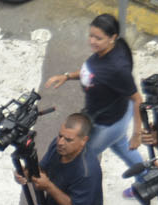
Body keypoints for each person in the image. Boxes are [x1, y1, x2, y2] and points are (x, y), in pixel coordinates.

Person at [44, 13, 143, 173]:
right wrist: (67, 76)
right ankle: (147, 178)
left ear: (112, 37)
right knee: (121, 146)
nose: (92, 41)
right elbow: (89, 73)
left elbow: (138, 99)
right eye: (91, 36)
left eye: (98, 38)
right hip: (117, 117)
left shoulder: (117, 69)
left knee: (78, 157)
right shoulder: (110, 50)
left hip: (107, 125)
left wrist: (137, 133)